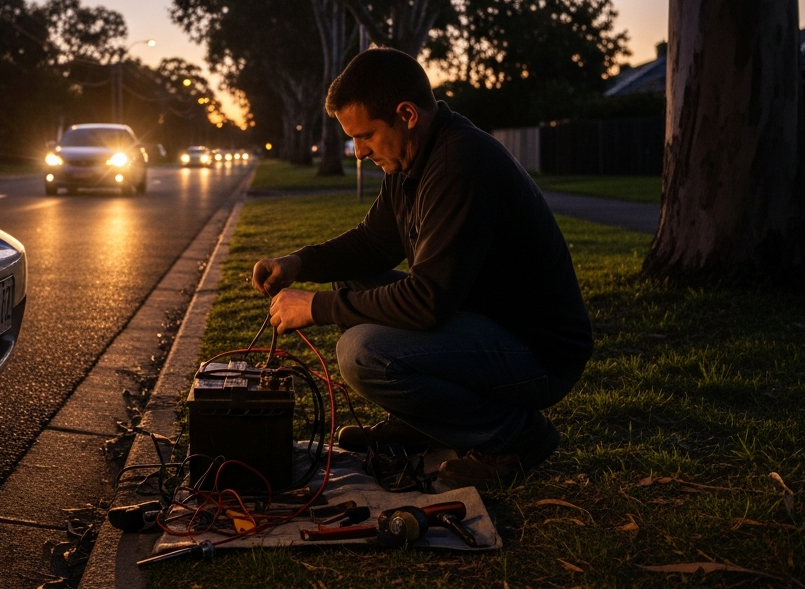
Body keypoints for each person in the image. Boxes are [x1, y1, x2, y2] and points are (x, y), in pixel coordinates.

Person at [251, 48, 591, 487]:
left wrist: (316, 307)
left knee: (361, 354)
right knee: (351, 281)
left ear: (406, 114)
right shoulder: (412, 157)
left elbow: (428, 302)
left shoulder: (459, 164)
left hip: (538, 352)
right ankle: (422, 424)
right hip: (480, 322)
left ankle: (514, 437)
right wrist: (299, 263)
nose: (358, 152)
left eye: (366, 135)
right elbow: (373, 244)